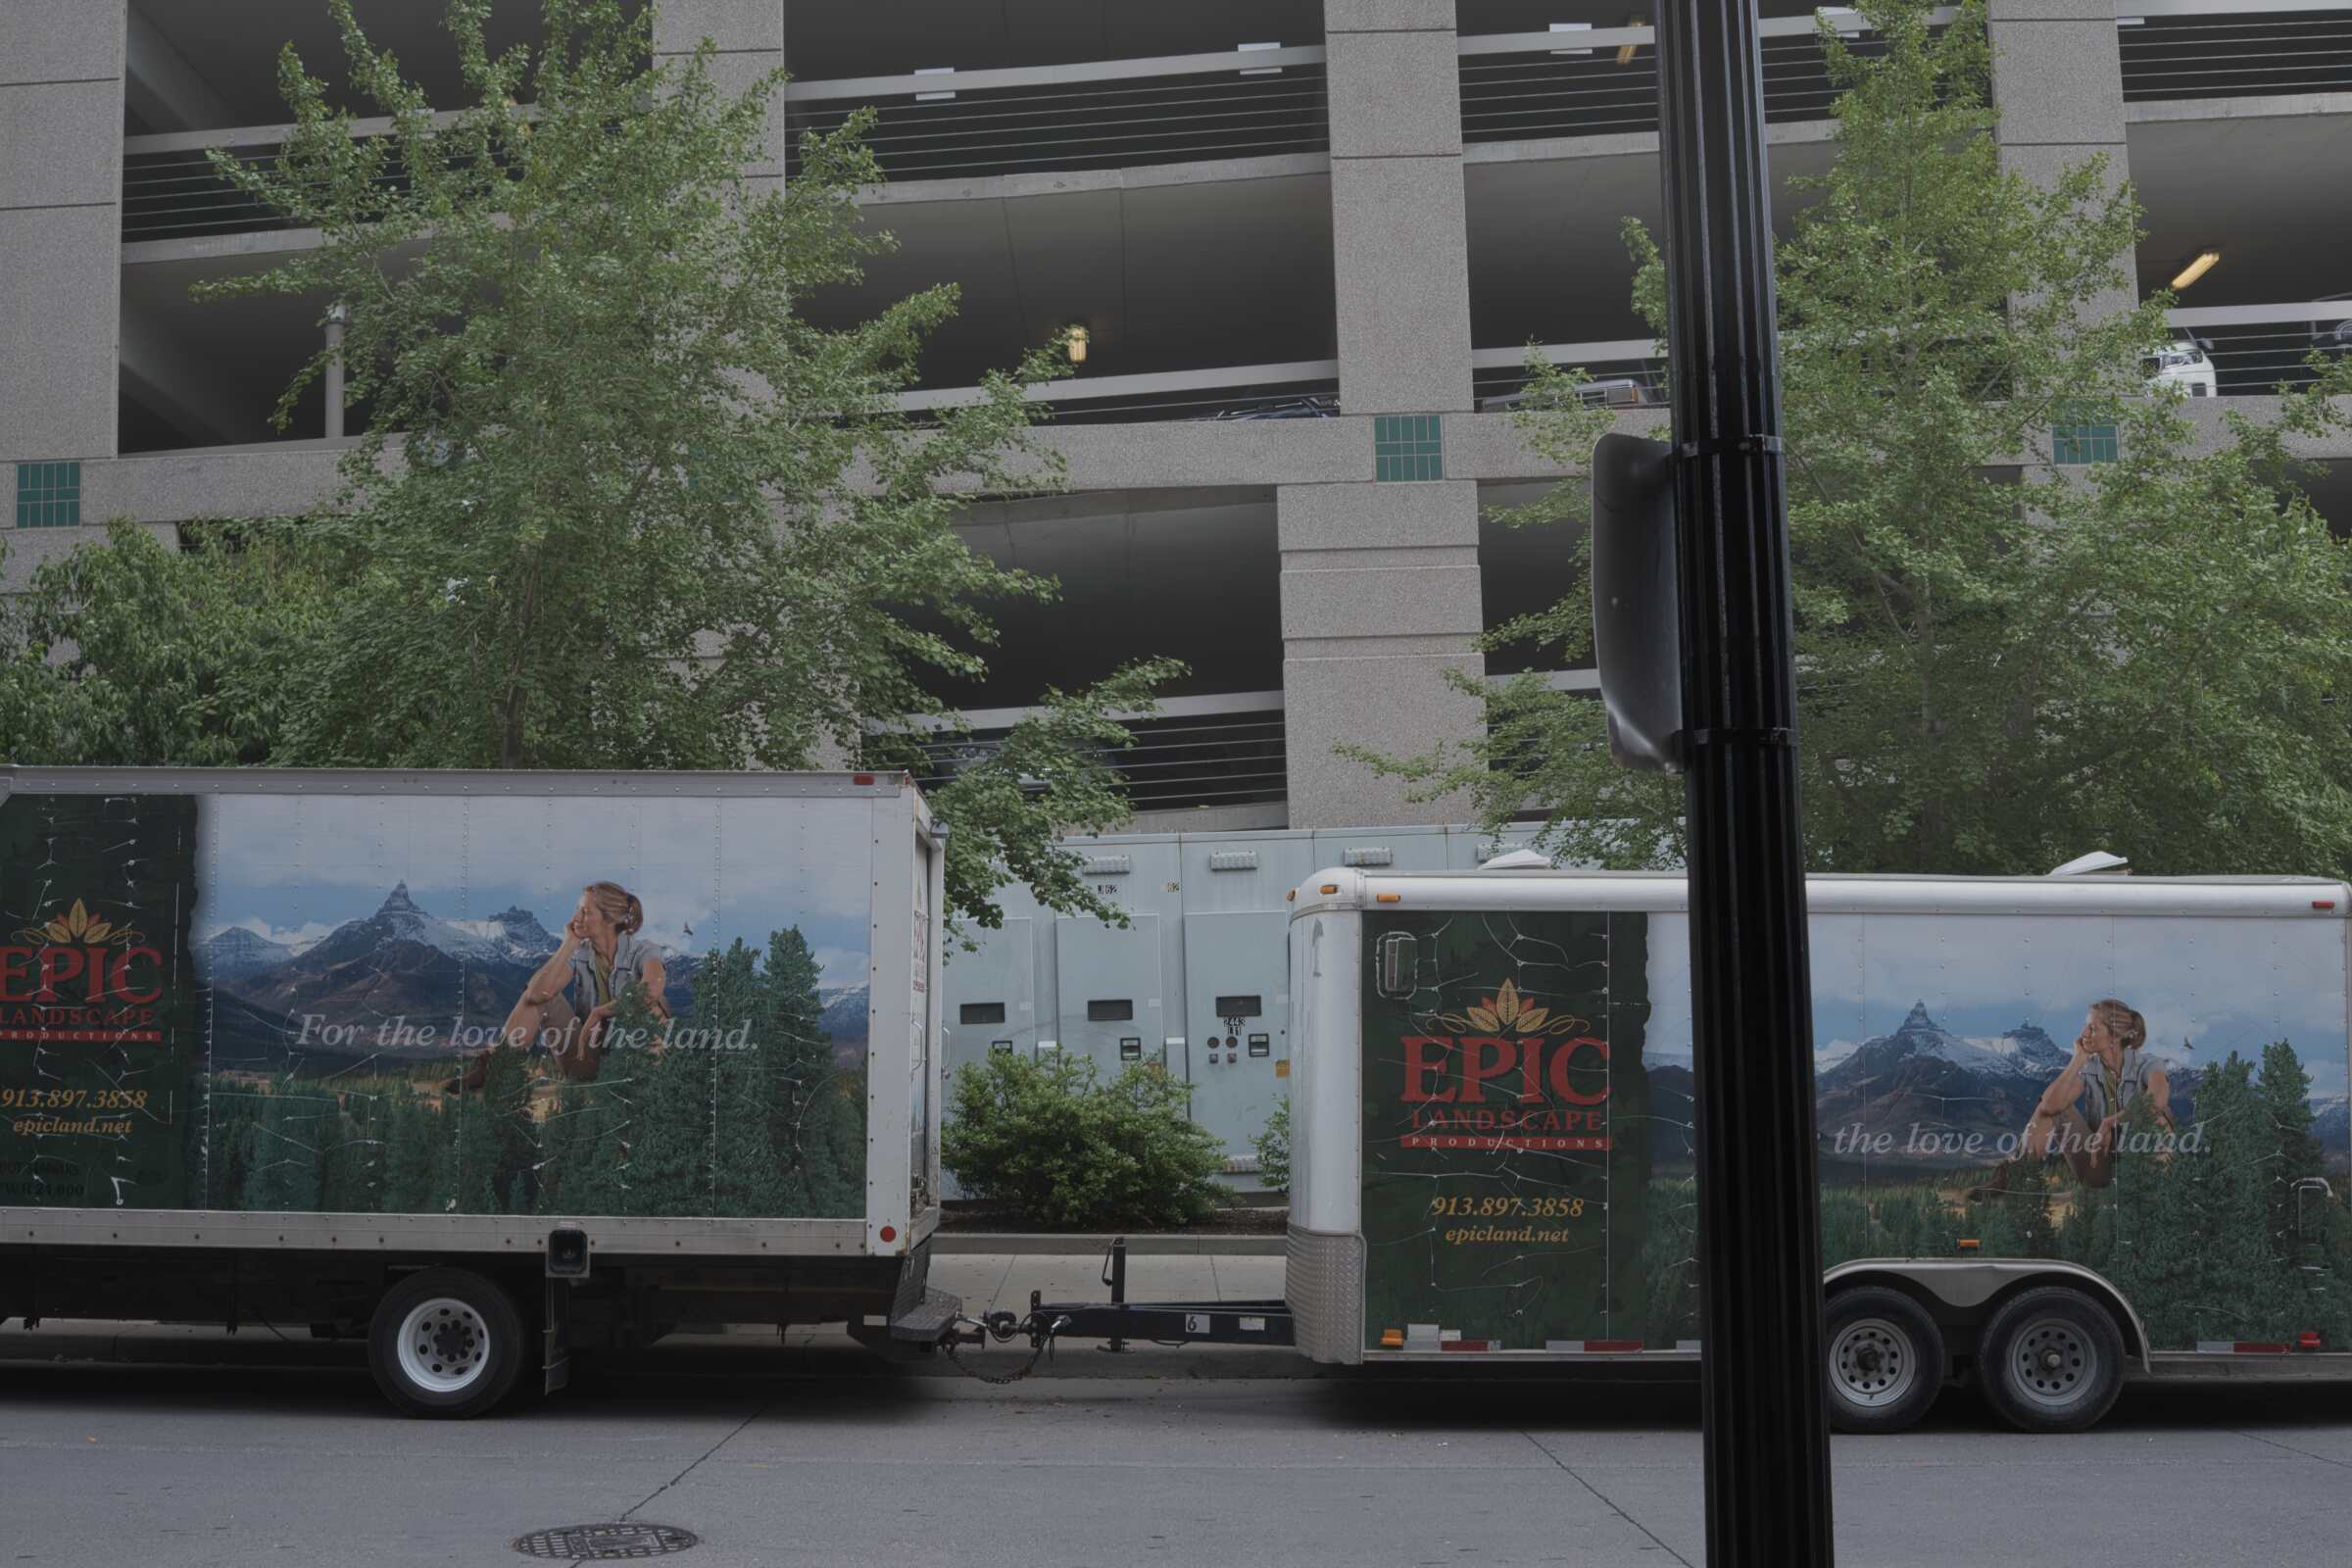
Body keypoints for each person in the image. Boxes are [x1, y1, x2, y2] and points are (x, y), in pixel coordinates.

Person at [451, 882, 668, 1091]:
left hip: (633, 1060)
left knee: (649, 1007)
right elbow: (536, 994)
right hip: (586, 1059)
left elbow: (651, 989)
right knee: (543, 997)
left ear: (610, 918)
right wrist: (569, 943)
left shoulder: (644, 951)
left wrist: (602, 1011)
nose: (575, 918)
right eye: (577, 910)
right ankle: (491, 1068)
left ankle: (652, 1085)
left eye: (585, 912)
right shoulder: (580, 953)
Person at [2012, 998, 2172, 1190]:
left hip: (2143, 1163)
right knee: (2055, 1110)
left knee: (2156, 1118)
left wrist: (2110, 1122)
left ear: (2114, 1036)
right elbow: (2049, 1106)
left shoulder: (2150, 1065)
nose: (2083, 1034)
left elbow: (2157, 1101)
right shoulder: (2089, 1069)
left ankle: (2155, 1190)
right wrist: (2077, 1060)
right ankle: (2017, 1181)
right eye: (2085, 1027)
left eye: (2092, 1029)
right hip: (2098, 1165)